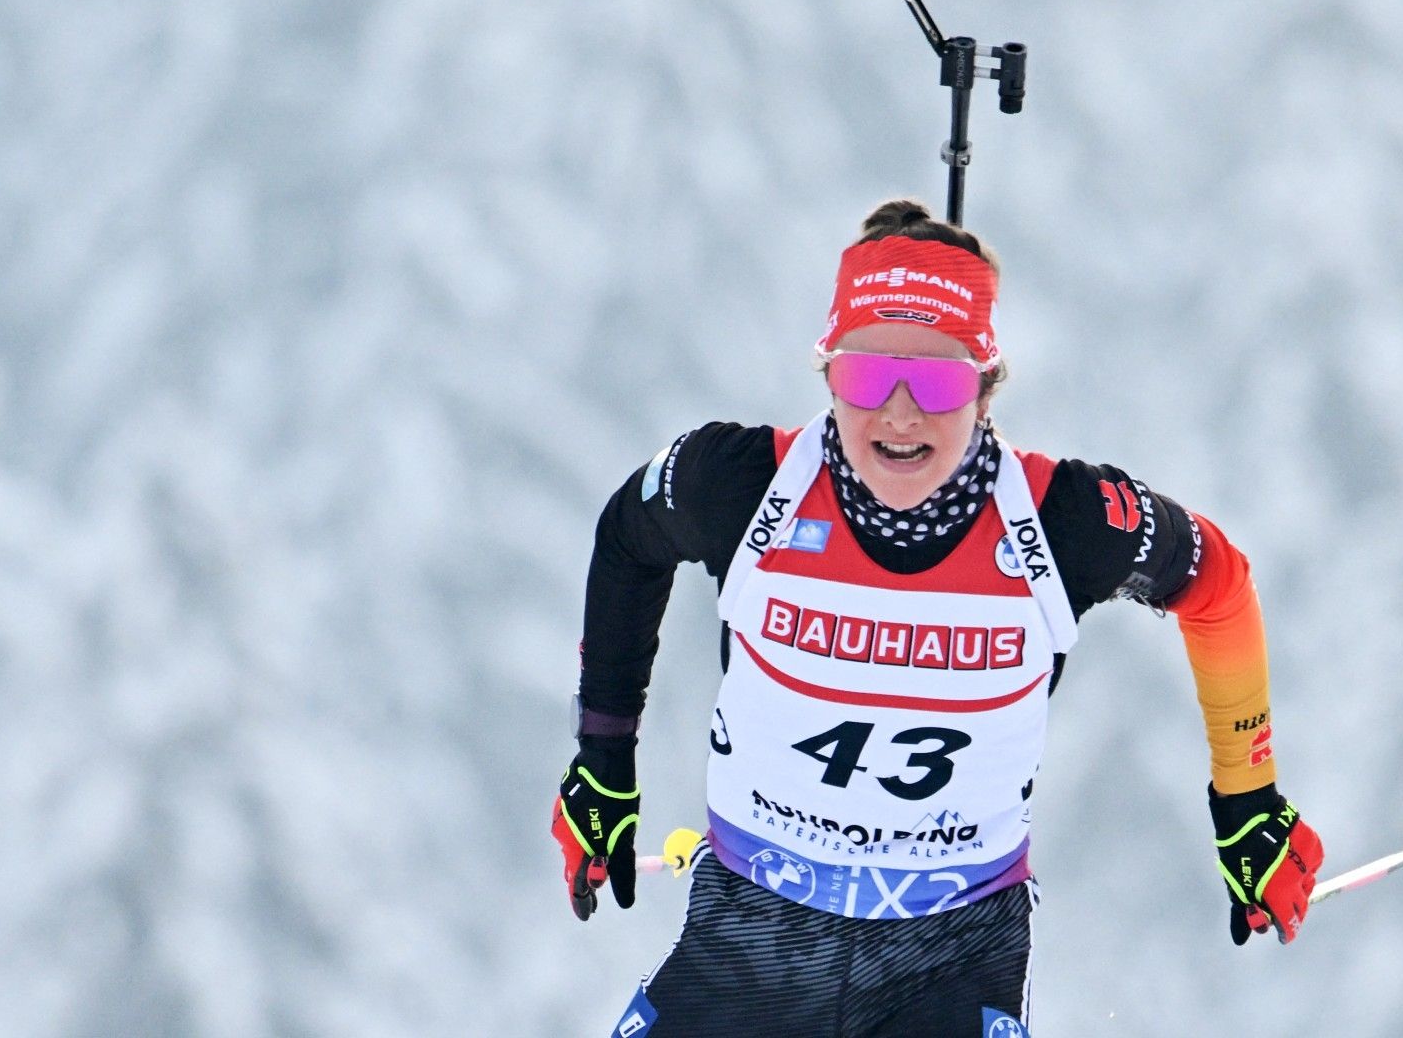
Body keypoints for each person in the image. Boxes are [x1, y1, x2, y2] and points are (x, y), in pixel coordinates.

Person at [552, 200, 1325, 1037]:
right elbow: (627, 538)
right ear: (828, 371)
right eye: (866, 374)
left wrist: (1247, 800)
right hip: (749, 940)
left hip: (953, 957)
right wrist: (603, 757)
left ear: (987, 386)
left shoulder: (1063, 522)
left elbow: (1220, 587)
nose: (900, 413)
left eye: (939, 380)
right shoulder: (740, 485)